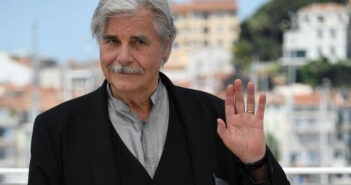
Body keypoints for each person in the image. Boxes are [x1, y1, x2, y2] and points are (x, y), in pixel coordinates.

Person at [28, 0, 290, 185]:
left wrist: (256, 163)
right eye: (111, 41)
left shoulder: (218, 120)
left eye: (138, 42)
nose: (122, 57)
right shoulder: (56, 131)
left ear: (166, 47)